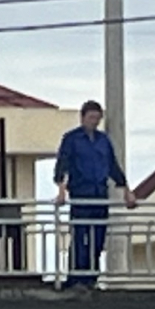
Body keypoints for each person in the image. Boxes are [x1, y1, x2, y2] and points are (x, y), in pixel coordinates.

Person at [53, 100, 136, 287]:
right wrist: (61, 191)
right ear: (82, 117)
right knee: (80, 235)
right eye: (91, 118)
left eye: (97, 118)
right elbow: (62, 165)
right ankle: (75, 277)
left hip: (100, 195)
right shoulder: (71, 139)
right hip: (81, 194)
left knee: (97, 238)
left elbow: (112, 166)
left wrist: (126, 191)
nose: (94, 122)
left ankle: (91, 277)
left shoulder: (103, 140)